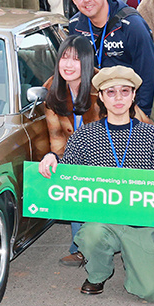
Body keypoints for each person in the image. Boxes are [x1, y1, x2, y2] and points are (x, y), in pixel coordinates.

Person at [38, 66, 154, 302]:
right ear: (101, 97)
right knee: (90, 235)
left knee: (151, 292)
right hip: (102, 220)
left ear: (134, 96)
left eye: (125, 91)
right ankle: (99, 273)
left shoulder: (151, 135)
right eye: (111, 92)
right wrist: (53, 158)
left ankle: (141, 260)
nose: (119, 98)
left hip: (140, 221)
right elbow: (67, 168)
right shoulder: (85, 136)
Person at [41, 34, 103, 269]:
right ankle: (80, 248)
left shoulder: (103, 85)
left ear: (87, 62)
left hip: (110, 152)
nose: (68, 64)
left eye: (76, 59)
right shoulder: (52, 88)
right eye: (64, 57)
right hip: (77, 155)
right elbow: (56, 138)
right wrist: (53, 156)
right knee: (69, 173)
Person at [66, 0, 154, 113]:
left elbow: (148, 72)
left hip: (130, 102)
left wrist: (141, 113)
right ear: (73, 0)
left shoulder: (131, 25)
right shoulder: (75, 25)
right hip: (96, 103)